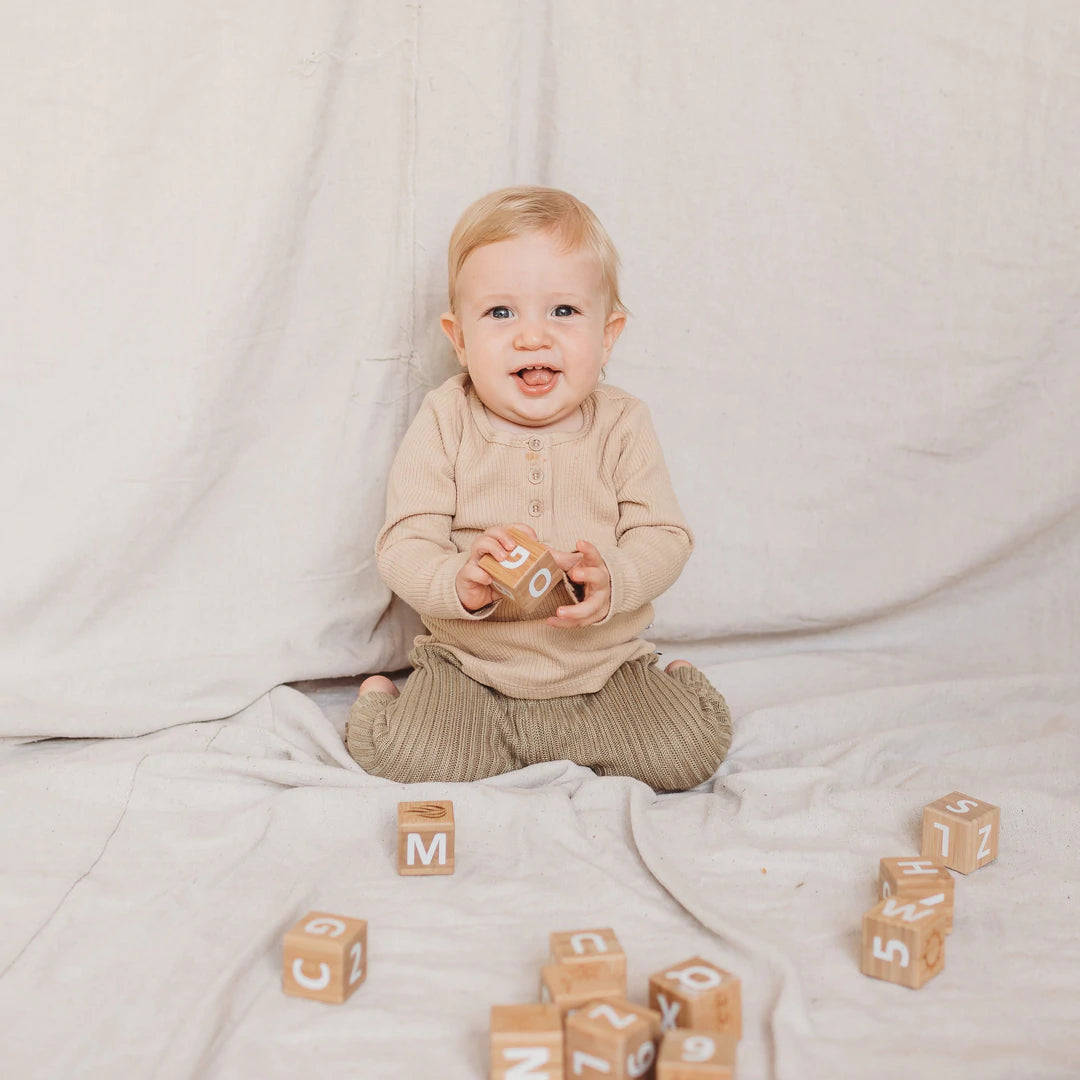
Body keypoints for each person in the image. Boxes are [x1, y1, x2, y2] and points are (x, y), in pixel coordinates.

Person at [346, 186, 731, 790]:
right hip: (472, 668)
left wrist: (617, 576)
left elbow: (664, 534)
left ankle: (675, 679)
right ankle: (378, 699)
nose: (532, 337)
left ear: (608, 335)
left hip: (603, 667)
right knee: (416, 763)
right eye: (501, 313)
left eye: (563, 312)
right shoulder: (445, 417)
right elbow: (403, 542)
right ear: (459, 338)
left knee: (682, 756)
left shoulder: (623, 423)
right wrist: (460, 581)